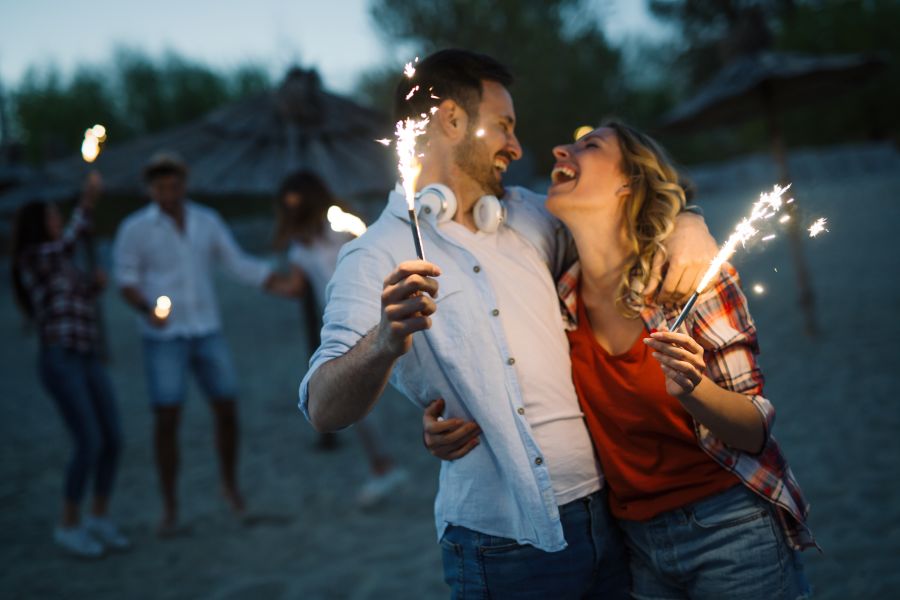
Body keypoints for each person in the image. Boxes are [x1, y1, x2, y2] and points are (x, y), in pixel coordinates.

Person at [299, 49, 718, 598]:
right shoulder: (375, 255)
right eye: (504, 126)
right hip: (502, 543)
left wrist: (689, 221)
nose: (516, 148)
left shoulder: (532, 215)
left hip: (612, 519)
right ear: (450, 118)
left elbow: (630, 216)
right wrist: (384, 341)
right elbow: (323, 408)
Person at [429, 121, 816, 599]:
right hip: (634, 544)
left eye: (589, 146)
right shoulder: (558, 296)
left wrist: (697, 390)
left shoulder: (690, 284)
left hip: (729, 526)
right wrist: (445, 422)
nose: (560, 148)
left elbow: (754, 431)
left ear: (629, 184)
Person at [113, 152, 300, 535]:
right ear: (150, 189)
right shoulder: (135, 228)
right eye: (160, 186)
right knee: (167, 418)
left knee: (227, 408)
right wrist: (147, 308)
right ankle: (170, 505)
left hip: (206, 329)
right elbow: (125, 278)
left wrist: (277, 284)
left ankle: (229, 487)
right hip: (164, 336)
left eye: (174, 184)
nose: (168, 192)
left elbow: (236, 263)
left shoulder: (205, 220)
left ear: (184, 183)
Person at [11, 173, 130, 558]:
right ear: (36, 224)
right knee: (88, 441)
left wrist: (93, 285)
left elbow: (75, 297)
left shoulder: (61, 263)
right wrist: (89, 201)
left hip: (87, 353)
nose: (58, 220)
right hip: (60, 359)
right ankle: (68, 523)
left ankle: (98, 516)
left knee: (112, 437)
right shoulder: (34, 257)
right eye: (51, 216)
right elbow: (67, 244)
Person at [273, 170, 408, 507]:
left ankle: (387, 465)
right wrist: (256, 275)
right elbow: (296, 287)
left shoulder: (341, 228)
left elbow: (372, 251)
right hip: (339, 325)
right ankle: (383, 466)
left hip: (373, 310)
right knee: (357, 397)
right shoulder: (299, 246)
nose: (294, 213)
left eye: (298, 206)